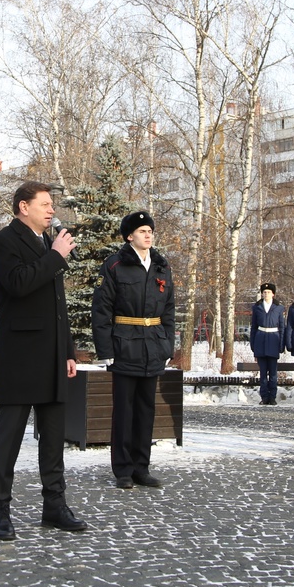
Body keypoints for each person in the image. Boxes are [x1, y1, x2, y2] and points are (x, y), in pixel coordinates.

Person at [0, 182, 86, 540]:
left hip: (53, 356)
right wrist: (56, 256)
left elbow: (58, 308)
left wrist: (69, 352)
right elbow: (17, 284)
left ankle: (54, 506)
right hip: (20, 356)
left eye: (52, 204)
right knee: (9, 436)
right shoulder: (3, 241)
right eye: (44, 204)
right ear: (23, 207)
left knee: (54, 436)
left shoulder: (48, 243)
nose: (51, 210)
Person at [91, 210, 175, 490]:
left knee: (146, 410)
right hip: (124, 345)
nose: (148, 234)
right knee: (124, 411)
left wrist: (167, 344)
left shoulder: (162, 266)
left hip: (153, 346)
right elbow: (101, 310)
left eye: (150, 230)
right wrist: (106, 350)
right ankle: (123, 470)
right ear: (129, 236)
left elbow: (170, 310)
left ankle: (142, 467)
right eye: (142, 231)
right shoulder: (115, 265)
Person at [250, 283, 285, 405]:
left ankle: (272, 397)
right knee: (263, 373)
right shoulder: (257, 307)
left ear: (273, 294)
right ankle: (264, 396)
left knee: (273, 373)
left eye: (269, 292)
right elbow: (253, 327)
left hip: (273, 340)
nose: (266, 294)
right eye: (264, 292)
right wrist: (253, 344)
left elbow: (282, 327)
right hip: (260, 339)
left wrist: (281, 344)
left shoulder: (278, 308)